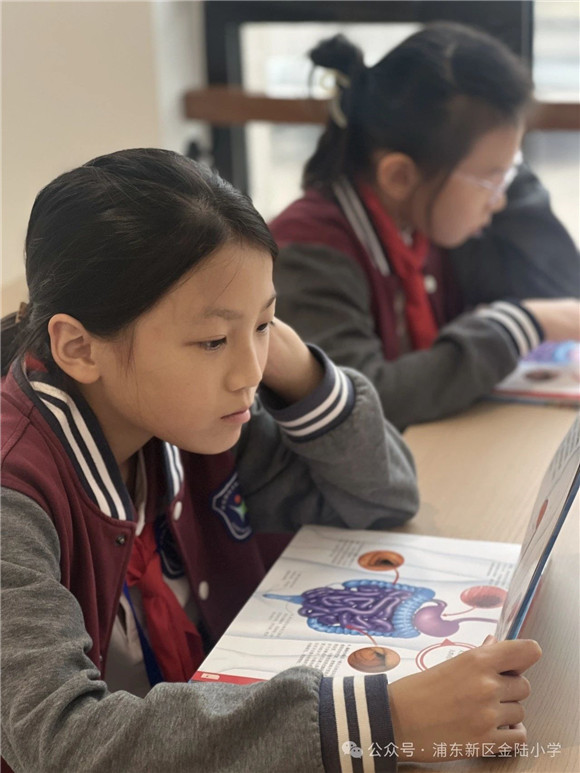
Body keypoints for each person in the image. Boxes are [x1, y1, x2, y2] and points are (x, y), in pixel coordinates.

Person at [1, 149, 541, 773]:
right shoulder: (17, 494)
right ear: (78, 347)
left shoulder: (190, 418)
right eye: (212, 340)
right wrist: (383, 721)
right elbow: (62, 740)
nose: (248, 373)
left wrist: (304, 374)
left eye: (264, 325)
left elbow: (380, 498)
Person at [270, 22, 580, 431]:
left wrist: (502, 172)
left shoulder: (424, 220)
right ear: (399, 176)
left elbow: (557, 285)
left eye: (509, 175)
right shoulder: (310, 251)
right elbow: (359, 403)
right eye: (491, 180)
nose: (500, 201)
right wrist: (523, 325)